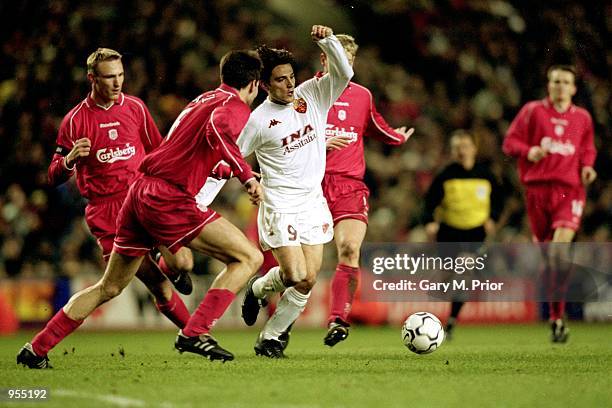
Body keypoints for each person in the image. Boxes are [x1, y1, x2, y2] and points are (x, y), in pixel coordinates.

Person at [17, 49, 265, 368]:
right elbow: (53, 175)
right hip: (123, 207)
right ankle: (194, 332)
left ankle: (35, 350)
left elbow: (165, 150)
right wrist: (68, 161)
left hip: (139, 193)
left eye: (121, 75)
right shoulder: (76, 120)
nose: (117, 82)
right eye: (109, 76)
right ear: (92, 78)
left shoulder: (142, 106)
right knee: (247, 257)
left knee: (127, 281)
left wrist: (219, 169)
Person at [239, 25, 353, 358]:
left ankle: (270, 338)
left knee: (307, 280)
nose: (289, 84)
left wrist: (327, 41)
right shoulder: (258, 121)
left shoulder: (311, 95)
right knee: (294, 274)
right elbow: (231, 155)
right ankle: (259, 287)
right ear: (264, 85)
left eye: (291, 77)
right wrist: (248, 178)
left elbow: (344, 73)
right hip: (280, 205)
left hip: (312, 203)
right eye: (280, 80)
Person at [503, 64, 597, 343]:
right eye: (555, 81)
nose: (560, 86)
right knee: (549, 259)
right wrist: (528, 150)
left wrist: (588, 166)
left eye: (565, 82)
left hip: (570, 191)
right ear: (548, 84)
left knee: (558, 250)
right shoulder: (532, 111)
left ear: (574, 88)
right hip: (537, 192)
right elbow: (510, 143)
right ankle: (556, 317)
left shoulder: (583, 117)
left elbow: (588, 148)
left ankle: (558, 316)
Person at [424, 130, 502, 340]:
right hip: (449, 231)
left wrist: (492, 218)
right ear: (452, 151)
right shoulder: (445, 176)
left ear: (474, 149)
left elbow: (499, 200)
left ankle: (451, 321)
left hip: (475, 232)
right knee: (447, 277)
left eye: (465, 146)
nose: (462, 151)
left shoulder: (486, 175)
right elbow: (429, 202)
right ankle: (445, 298)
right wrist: (430, 222)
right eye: (457, 148)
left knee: (465, 270)